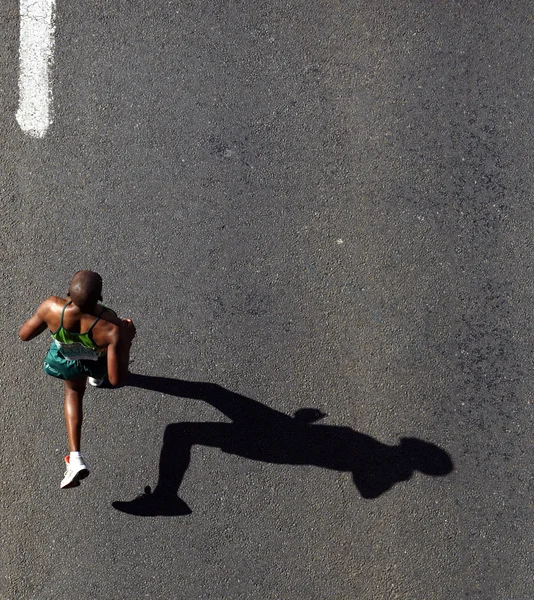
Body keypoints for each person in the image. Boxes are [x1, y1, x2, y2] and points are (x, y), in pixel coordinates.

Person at [18, 271, 136, 489]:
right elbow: (116, 378)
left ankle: (75, 457)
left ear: (67, 292)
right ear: (100, 298)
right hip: (95, 360)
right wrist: (126, 339)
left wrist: (48, 321)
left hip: (67, 359)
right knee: (100, 371)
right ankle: (95, 378)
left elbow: (24, 334)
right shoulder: (111, 327)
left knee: (74, 393)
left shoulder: (51, 307)